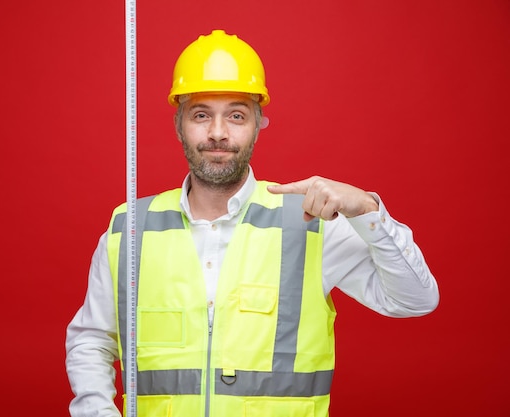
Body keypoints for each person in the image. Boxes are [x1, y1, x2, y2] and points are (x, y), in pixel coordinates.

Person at [65, 29, 439, 417]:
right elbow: (91, 340)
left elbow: (415, 299)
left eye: (237, 115)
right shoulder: (130, 228)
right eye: (201, 115)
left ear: (259, 123)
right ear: (179, 124)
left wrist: (366, 211)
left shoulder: (310, 222)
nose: (218, 133)